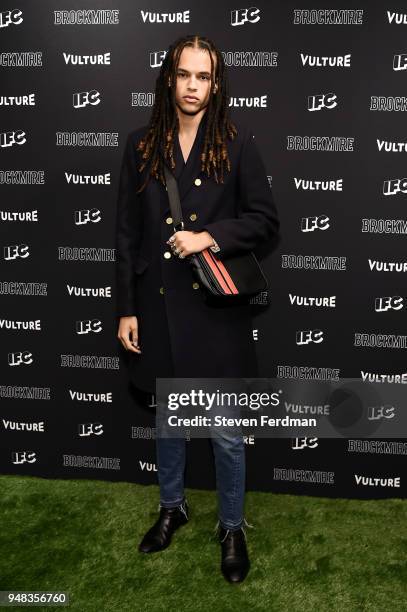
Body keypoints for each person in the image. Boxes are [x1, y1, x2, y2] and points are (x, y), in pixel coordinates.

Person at [115, 34, 280, 583]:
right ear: (169, 78)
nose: (192, 86)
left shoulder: (235, 142)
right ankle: (172, 507)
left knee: (227, 432)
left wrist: (208, 235)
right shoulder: (141, 145)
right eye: (183, 74)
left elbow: (265, 221)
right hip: (158, 311)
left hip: (215, 312)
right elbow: (127, 236)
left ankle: (231, 525)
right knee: (168, 424)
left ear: (215, 83)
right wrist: (127, 308)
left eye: (202, 77)